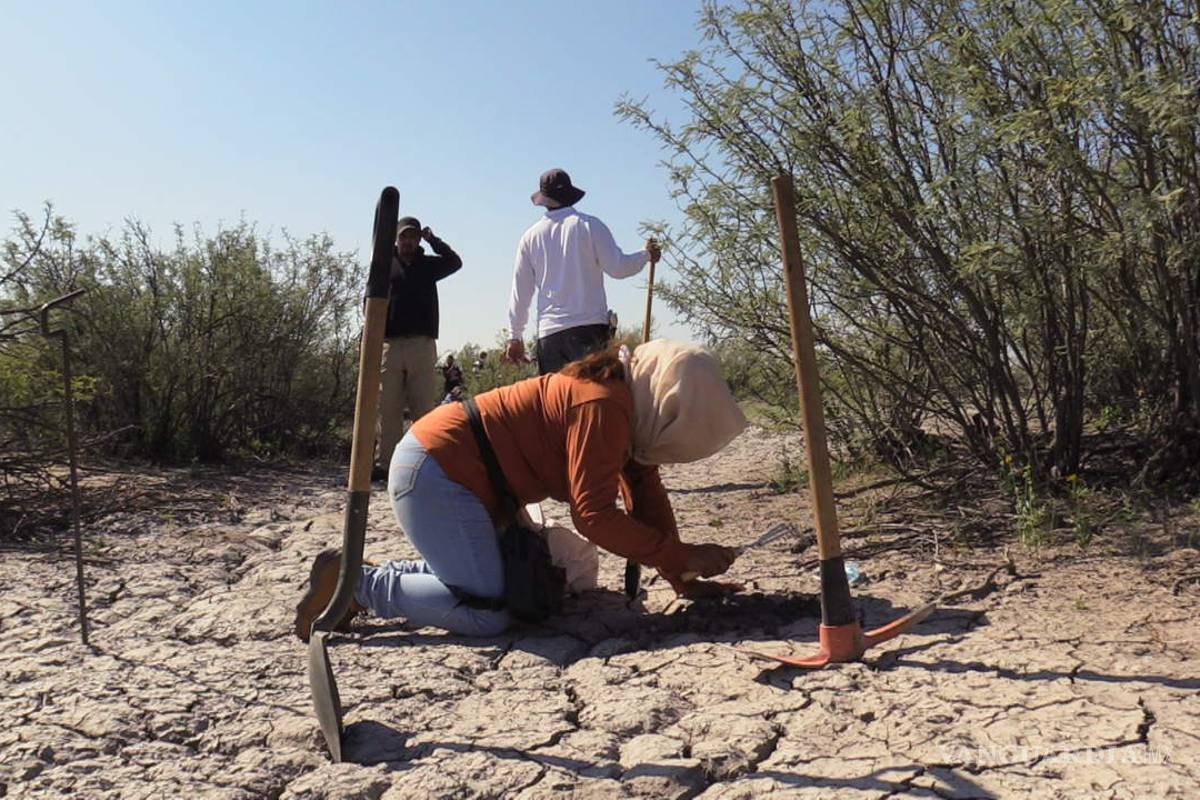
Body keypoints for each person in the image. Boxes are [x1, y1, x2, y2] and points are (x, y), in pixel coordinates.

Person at [295, 340, 747, 640]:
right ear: (669, 403)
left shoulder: (621, 399)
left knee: (502, 585)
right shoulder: (603, 405)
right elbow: (594, 516)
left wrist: (680, 576)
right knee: (488, 611)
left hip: (456, 475)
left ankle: (353, 573)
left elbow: (643, 489)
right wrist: (680, 556)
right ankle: (358, 586)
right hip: (438, 472)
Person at [505, 168, 660, 375]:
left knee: (556, 406)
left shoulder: (530, 238)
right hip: (589, 331)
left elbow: (520, 293)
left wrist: (515, 336)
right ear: (570, 195)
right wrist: (646, 255)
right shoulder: (590, 226)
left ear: (544, 199)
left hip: (550, 337)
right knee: (596, 401)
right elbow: (619, 267)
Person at [374, 216, 462, 481]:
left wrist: (434, 240)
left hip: (422, 345)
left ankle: (425, 465)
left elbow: (455, 262)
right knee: (387, 408)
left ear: (418, 239)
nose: (408, 241)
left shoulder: (429, 265)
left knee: (422, 408)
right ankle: (386, 464)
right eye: (404, 236)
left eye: (413, 236)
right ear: (396, 238)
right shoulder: (384, 264)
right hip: (390, 345)